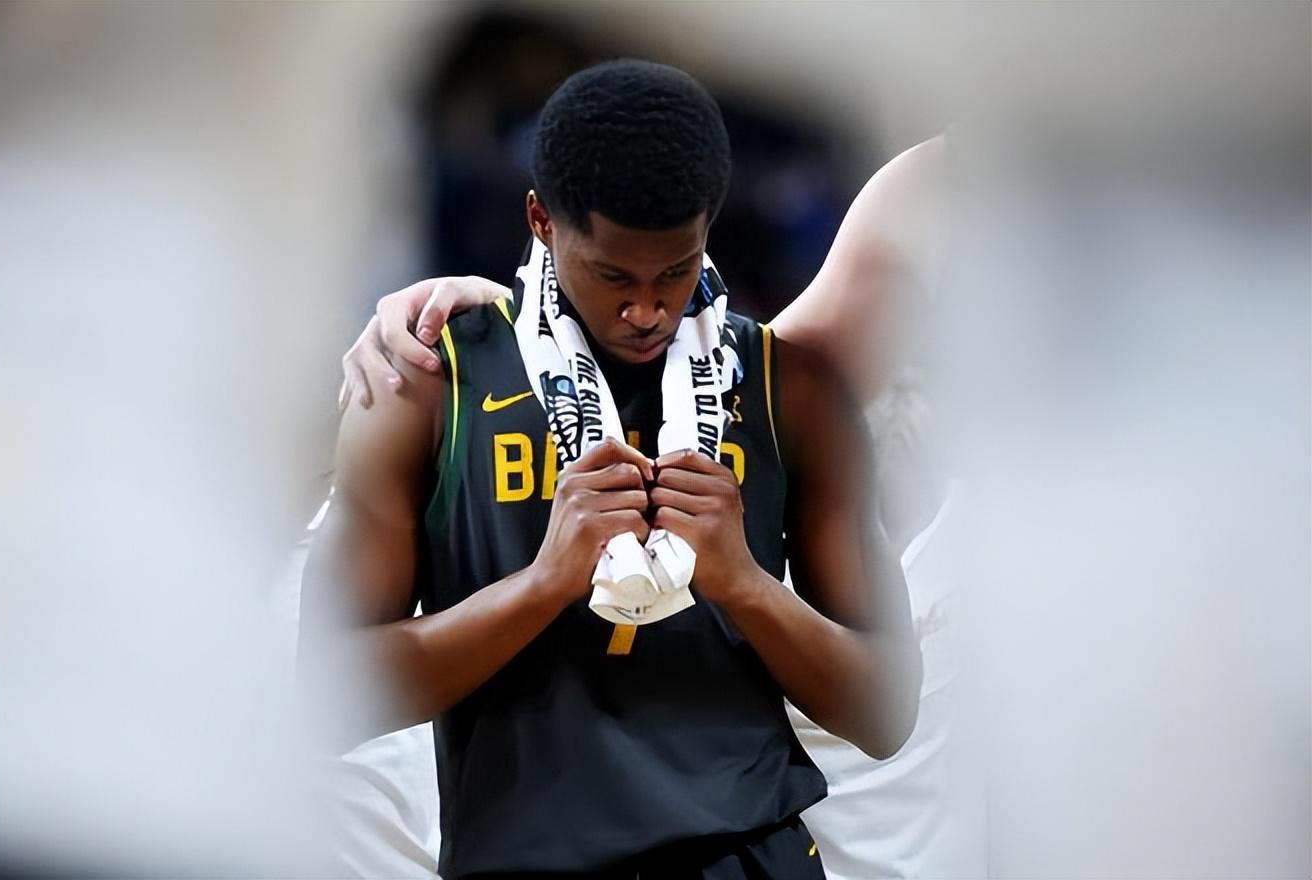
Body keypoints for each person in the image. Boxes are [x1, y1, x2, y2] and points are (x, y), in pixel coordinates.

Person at [300, 59, 919, 880]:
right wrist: (543, 584)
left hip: (749, 856)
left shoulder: (791, 388)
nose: (646, 310)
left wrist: (745, 585)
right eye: (613, 275)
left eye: (676, 271)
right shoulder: (426, 383)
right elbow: (330, 693)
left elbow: (885, 712)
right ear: (541, 221)